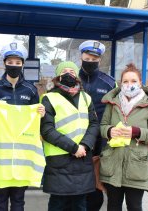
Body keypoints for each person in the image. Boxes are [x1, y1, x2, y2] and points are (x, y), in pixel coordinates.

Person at [0, 42, 45, 211]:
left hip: (23, 157)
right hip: (1, 156)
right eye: (10, 62)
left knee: (19, 201)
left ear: (23, 64)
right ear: (4, 63)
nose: (14, 66)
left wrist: (41, 113)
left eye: (18, 63)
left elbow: (36, 123)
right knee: (0, 201)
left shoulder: (31, 90)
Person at [99, 63, 148, 211]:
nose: (129, 85)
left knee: (134, 206)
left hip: (136, 166)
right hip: (112, 164)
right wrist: (109, 131)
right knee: (113, 206)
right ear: (121, 83)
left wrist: (137, 132)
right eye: (126, 81)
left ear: (140, 83)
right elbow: (102, 127)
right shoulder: (112, 102)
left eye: (134, 81)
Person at [40, 61, 99, 211]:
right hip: (59, 160)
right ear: (58, 76)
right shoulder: (49, 98)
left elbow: (94, 124)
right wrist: (74, 148)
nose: (68, 74)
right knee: (58, 204)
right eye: (64, 71)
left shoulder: (86, 98)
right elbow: (47, 130)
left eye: (72, 72)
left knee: (80, 204)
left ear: (77, 76)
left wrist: (84, 146)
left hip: (82, 158)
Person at [78, 40, 117, 211]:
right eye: (88, 57)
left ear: (100, 60)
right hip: (75, 142)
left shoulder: (109, 83)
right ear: (81, 56)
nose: (91, 61)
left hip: (99, 143)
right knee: (76, 185)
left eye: (95, 59)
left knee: (95, 189)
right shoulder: (71, 79)